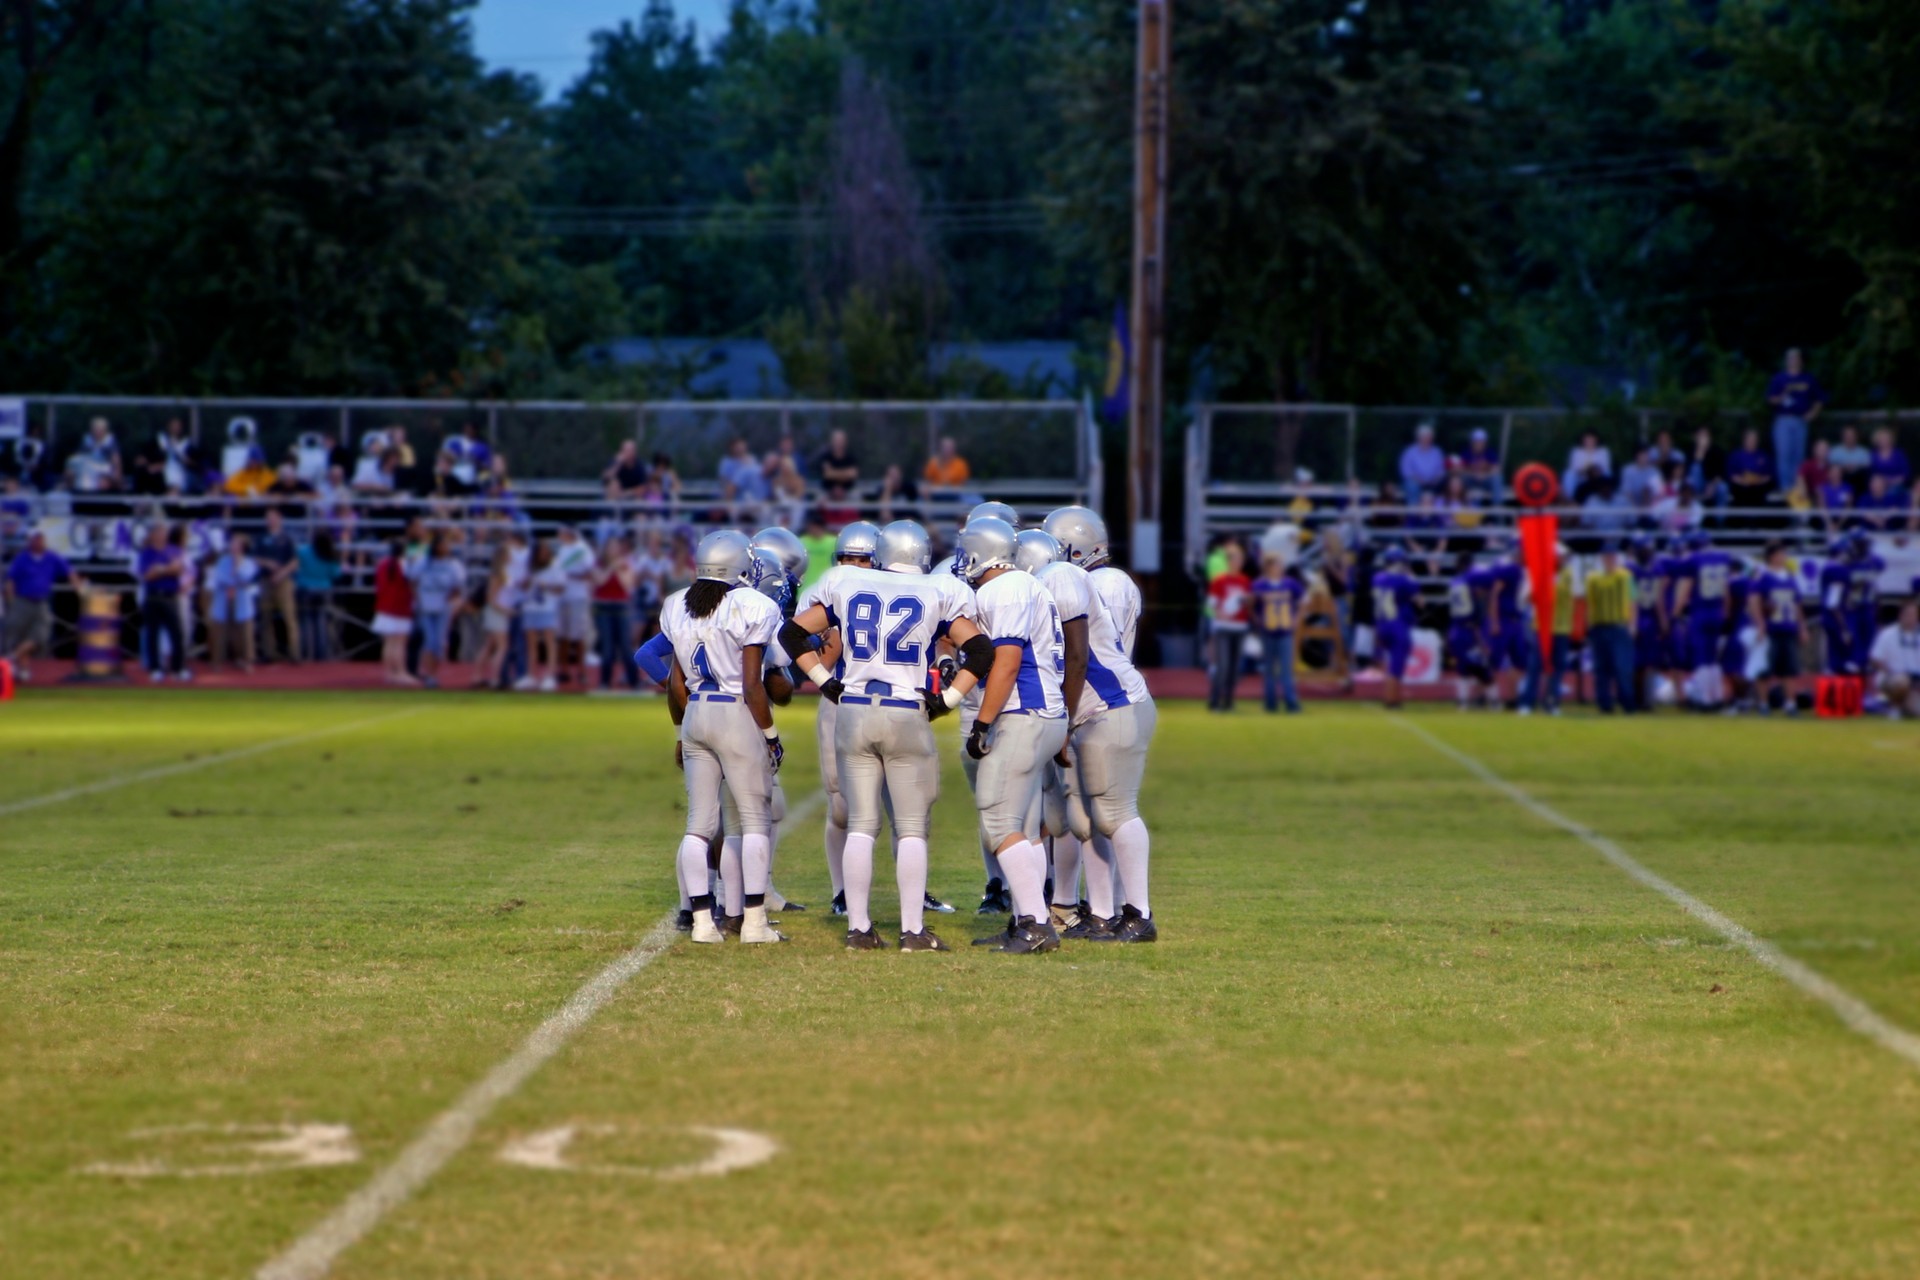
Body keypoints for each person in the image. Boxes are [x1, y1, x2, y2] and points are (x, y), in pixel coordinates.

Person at [782, 521, 988, 951]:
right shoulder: (940, 589)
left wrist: (824, 681)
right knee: (911, 827)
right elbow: (982, 651)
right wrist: (947, 700)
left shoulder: (845, 579)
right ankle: (912, 931)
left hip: (853, 710)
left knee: (860, 824)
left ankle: (859, 928)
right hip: (904, 711)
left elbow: (793, 633)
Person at [659, 531, 787, 945]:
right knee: (754, 822)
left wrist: (681, 732)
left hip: (696, 712)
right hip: (735, 711)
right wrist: (770, 735)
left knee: (699, 825)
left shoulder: (677, 604)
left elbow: (675, 682)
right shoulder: (752, 605)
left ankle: (700, 923)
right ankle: (753, 923)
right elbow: (753, 684)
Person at [3, 527, 86, 683]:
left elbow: (69, 571)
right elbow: (10, 581)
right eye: (35, 539)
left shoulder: (51, 557)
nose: (39, 541)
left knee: (40, 636)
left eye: (41, 538)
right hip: (22, 601)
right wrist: (12, 602)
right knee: (17, 635)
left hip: (41, 602)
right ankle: (23, 670)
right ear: (29, 541)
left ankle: (11, 658)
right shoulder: (22, 559)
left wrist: (79, 589)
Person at [1671, 531, 1735, 708]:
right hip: (1717, 612)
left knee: (1701, 657)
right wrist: (1727, 612)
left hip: (1700, 613)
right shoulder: (1722, 557)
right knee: (1713, 658)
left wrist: (1674, 613)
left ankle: (1705, 699)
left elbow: (1684, 590)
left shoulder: (1692, 560)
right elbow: (1726, 590)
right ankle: (1717, 696)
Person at [407, 531, 467, 689]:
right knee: (430, 640)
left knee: (439, 643)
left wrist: (450, 599)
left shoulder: (453, 565)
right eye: (441, 545)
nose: (444, 548)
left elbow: (458, 587)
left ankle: (433, 673)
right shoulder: (423, 563)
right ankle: (429, 675)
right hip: (426, 606)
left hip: (442, 607)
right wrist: (418, 599)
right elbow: (413, 581)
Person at [1751, 542, 1806, 714]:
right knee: (1764, 670)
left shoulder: (1790, 577)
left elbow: (1797, 604)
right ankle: (1763, 704)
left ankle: (1790, 704)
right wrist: (1760, 624)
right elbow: (1753, 602)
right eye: (1781, 554)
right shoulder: (1762, 576)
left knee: (1789, 669)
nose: (1784, 557)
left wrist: (1802, 627)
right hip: (1770, 629)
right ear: (1772, 556)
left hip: (1788, 627)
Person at [1767, 348, 1827, 494]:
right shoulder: (1779, 378)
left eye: (1796, 357)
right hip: (1783, 420)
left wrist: (1812, 413)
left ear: (1800, 360)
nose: (1794, 360)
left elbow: (1820, 399)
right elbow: (1770, 399)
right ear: (1786, 360)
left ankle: (1797, 488)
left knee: (1798, 456)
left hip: (1800, 421)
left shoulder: (1808, 378)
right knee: (1784, 454)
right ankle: (1785, 488)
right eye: (1791, 358)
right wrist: (1781, 397)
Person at [1251, 552, 1305, 713]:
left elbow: (1303, 601)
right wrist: (1256, 619)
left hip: (1285, 630)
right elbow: (1251, 604)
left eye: (1280, 564)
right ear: (1268, 567)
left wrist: (1297, 619)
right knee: (1269, 669)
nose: (1279, 568)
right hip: (1268, 630)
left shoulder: (1290, 583)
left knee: (1286, 669)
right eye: (1275, 564)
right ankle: (1270, 701)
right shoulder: (1260, 585)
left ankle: (1290, 701)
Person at [1586, 543, 1636, 713]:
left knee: (1622, 667)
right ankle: (1605, 704)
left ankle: (1627, 702)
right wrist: (1588, 624)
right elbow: (1589, 602)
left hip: (1619, 625)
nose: (1609, 559)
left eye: (1612, 556)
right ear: (1601, 558)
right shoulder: (1593, 578)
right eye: (1606, 556)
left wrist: (1633, 624)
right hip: (1599, 625)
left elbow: (1633, 600)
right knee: (1602, 669)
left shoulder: (1626, 576)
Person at [135, 524, 188, 682]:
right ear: (152, 535)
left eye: (163, 532)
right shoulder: (147, 553)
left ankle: (178, 668)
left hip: (170, 595)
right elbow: (147, 575)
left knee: (177, 634)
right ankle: (155, 668)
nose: (160, 536)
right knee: (153, 634)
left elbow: (179, 569)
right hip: (153, 596)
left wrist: (160, 570)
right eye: (157, 532)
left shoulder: (174, 550)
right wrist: (167, 569)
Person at [1369, 547, 1419, 710]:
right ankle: (1391, 700)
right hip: (1397, 625)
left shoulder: (1377, 578)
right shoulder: (1405, 580)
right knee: (1396, 666)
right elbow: (1419, 600)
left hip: (1382, 624)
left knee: (1390, 664)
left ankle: (1395, 698)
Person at [1205, 540, 1251, 712]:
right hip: (1224, 627)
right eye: (1234, 559)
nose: (1237, 563)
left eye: (1240, 559)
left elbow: (1247, 603)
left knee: (1234, 666)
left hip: (1239, 627)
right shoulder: (1220, 581)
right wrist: (1220, 614)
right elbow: (1212, 603)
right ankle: (1215, 699)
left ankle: (1229, 701)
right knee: (1223, 665)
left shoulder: (1245, 581)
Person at [1445, 554, 1493, 711]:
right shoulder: (1470, 579)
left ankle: (1463, 703)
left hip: (1456, 628)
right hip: (1469, 628)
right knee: (1482, 667)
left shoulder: (1454, 581)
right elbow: (1480, 592)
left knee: (1463, 668)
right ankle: (1493, 702)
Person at [206, 533, 260, 672]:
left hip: (241, 600)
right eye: (232, 543)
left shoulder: (248, 562)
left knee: (244, 632)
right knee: (219, 631)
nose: (233, 546)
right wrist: (234, 578)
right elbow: (220, 577)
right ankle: (217, 661)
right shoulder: (223, 561)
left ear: (242, 547)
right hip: (224, 598)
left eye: (236, 543)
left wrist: (237, 568)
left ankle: (246, 660)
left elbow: (246, 578)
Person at [592, 535, 639, 690]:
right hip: (603, 608)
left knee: (626, 646)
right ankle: (605, 682)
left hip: (621, 608)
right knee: (607, 647)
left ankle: (634, 682)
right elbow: (599, 581)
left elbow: (627, 585)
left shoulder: (625, 564)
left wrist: (618, 569)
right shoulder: (599, 564)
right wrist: (611, 567)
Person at [254, 507, 300, 663]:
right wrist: (267, 563)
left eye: (273, 517)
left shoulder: (287, 538)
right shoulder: (261, 537)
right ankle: (269, 652)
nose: (270, 520)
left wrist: (281, 573)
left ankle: (295, 653)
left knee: (289, 617)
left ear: (279, 519)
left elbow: (294, 562)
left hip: (283, 581)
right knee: (266, 618)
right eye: (268, 517)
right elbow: (255, 558)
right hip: (266, 580)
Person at [553, 525, 596, 689]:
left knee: (578, 636)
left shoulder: (582, 550)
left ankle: (581, 671)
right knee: (563, 636)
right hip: (563, 597)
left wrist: (569, 576)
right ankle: (563, 670)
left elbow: (589, 573)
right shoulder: (562, 550)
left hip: (578, 597)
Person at [518, 539, 563, 692]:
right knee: (531, 644)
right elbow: (522, 586)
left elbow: (561, 588)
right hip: (531, 608)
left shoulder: (555, 566)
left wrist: (547, 586)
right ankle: (531, 675)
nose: (544, 554)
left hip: (547, 608)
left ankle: (549, 676)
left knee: (549, 643)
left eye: (546, 551)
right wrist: (526, 583)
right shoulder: (530, 568)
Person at [371, 539, 418, 687]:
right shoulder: (403, 564)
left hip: (385, 605)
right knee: (399, 642)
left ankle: (389, 673)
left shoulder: (383, 563)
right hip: (400, 606)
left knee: (389, 642)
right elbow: (412, 583)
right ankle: (400, 672)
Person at [294, 530, 341, 663]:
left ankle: (305, 653)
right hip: (324, 589)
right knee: (321, 622)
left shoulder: (303, 551)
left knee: (305, 622)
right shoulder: (330, 553)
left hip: (305, 589)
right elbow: (336, 574)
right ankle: (322, 654)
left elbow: (295, 567)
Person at [1868, 598, 1920, 719]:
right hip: (1892, 679)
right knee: (1901, 681)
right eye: (1908, 614)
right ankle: (1894, 706)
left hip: (1915, 681)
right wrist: (1891, 672)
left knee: (1916, 710)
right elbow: (1875, 658)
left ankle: (1903, 706)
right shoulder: (1887, 634)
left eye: (1914, 615)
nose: (1911, 618)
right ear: (1901, 615)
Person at [718, 436, 771, 517]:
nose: (740, 448)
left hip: (752, 495)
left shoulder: (751, 459)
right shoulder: (726, 462)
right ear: (732, 448)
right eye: (738, 447)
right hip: (735, 494)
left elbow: (756, 476)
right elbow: (724, 481)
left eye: (742, 446)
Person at [1725, 429, 1774, 510]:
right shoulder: (1735, 455)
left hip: (1759, 488)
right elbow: (1730, 474)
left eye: (1754, 439)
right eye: (1749, 439)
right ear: (1744, 440)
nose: (1752, 441)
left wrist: (1758, 480)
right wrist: (1742, 480)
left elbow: (1769, 475)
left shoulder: (1763, 456)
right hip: (1741, 488)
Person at [1398, 423, 1447, 498]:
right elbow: (1406, 472)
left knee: (1446, 484)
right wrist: (1419, 480)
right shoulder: (1409, 452)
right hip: (1415, 482)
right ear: (1418, 438)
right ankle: (1413, 509)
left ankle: (1438, 508)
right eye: (1424, 436)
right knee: (1411, 486)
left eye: (1429, 436)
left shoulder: (1437, 452)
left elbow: (1441, 470)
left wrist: (1435, 480)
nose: (1427, 439)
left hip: (1433, 482)